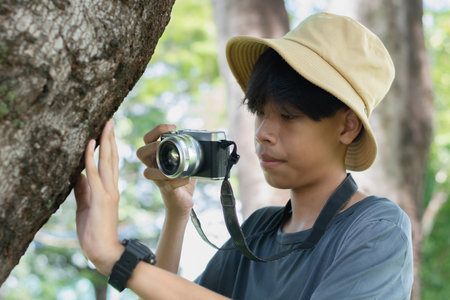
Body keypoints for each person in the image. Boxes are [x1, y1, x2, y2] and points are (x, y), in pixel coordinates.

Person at [74, 12, 413, 299]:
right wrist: (177, 213)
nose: (263, 132)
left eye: (289, 116)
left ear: (347, 127)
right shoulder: (257, 231)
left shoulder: (377, 228)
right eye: (260, 112)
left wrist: (115, 258)